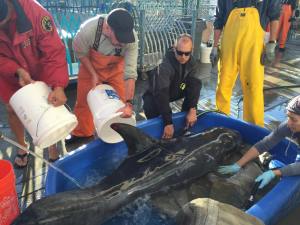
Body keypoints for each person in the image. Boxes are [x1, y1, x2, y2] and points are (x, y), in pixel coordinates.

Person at [0, 0, 69, 168]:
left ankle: (52, 149)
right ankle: (22, 146)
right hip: (8, 72)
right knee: (12, 109)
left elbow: (53, 52)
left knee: (48, 103)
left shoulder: (36, 13)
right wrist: (16, 70)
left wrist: (58, 85)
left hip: (40, 67)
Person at [66, 8, 138, 144]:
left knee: (120, 101)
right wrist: (93, 74)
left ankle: (116, 132)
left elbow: (130, 73)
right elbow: (80, 52)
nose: (123, 43)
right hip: (91, 68)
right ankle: (82, 133)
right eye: (120, 38)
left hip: (116, 69)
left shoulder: (131, 39)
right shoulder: (88, 30)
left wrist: (129, 103)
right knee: (84, 101)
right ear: (108, 28)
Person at [210, 0, 281, 127]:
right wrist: (215, 46)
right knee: (223, 85)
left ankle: (254, 128)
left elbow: (274, 16)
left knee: (253, 88)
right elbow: (219, 20)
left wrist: (272, 43)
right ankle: (221, 122)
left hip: (253, 48)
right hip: (229, 47)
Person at [218, 95, 300, 189]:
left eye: (293, 119)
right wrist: (238, 164)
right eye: (288, 117)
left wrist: (275, 172)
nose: (289, 123)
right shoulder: (288, 126)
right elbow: (264, 144)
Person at [142, 34, 202, 139]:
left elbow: (195, 86)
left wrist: (193, 109)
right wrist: (168, 123)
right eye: (179, 52)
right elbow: (162, 94)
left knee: (193, 91)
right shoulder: (164, 66)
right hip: (156, 93)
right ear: (174, 49)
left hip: (177, 88)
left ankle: (185, 127)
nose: (183, 57)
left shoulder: (192, 62)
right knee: (155, 117)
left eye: (187, 53)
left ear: (191, 50)